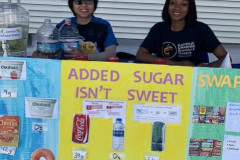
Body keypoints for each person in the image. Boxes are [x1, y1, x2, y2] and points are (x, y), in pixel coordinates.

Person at [136, 0, 228, 67]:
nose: (177, 8)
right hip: (165, 79)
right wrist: (176, 64)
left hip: (193, 79)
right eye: (173, 3)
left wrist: (207, 67)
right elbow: (141, 54)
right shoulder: (158, 29)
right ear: (167, 5)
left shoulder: (201, 29)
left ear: (189, 8)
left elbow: (226, 58)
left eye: (183, 4)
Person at [33, 0, 118, 61]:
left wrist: (85, 56)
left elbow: (111, 53)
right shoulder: (62, 25)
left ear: (94, 4)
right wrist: (42, 56)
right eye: (78, 2)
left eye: (88, 1)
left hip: (94, 73)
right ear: (72, 5)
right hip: (68, 73)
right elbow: (53, 51)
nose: (84, 5)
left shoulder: (103, 25)